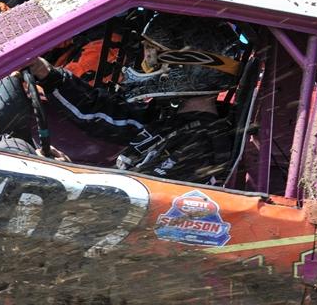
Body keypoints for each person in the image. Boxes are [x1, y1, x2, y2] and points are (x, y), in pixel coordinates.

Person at [20, 14, 244, 185]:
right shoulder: (169, 116)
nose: (144, 67)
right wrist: (49, 75)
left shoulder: (200, 144)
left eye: (154, 58)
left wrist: (70, 177)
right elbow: (106, 113)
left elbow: (136, 204)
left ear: (188, 69)